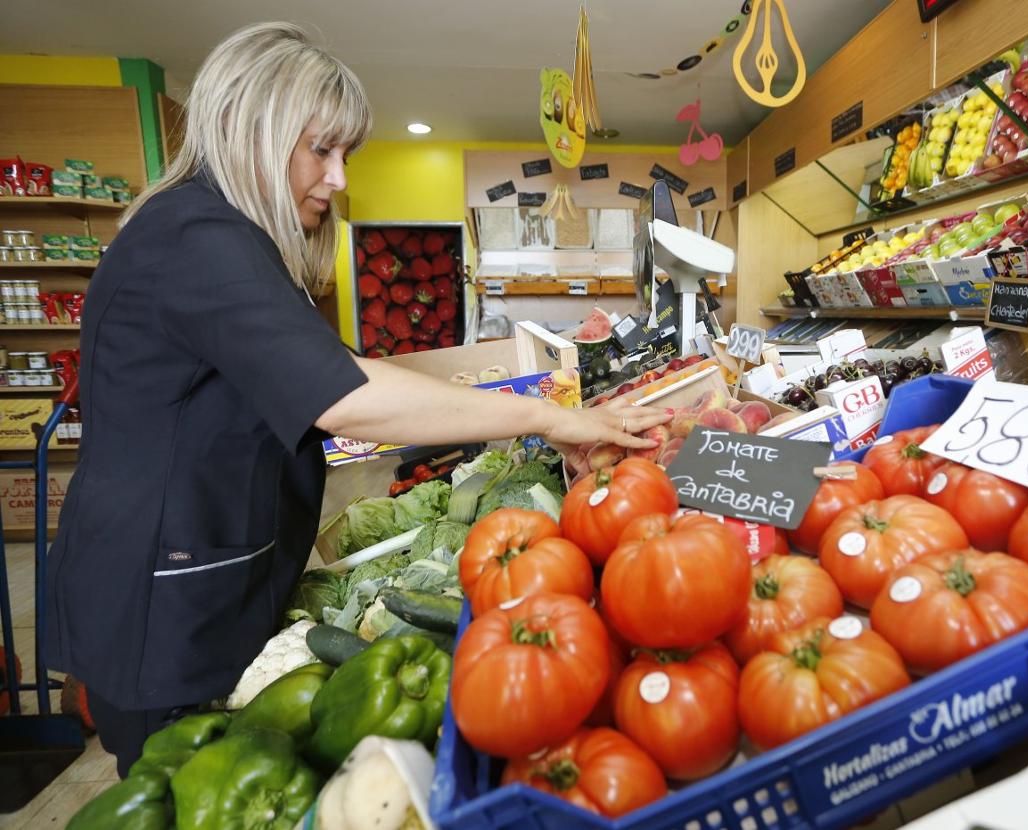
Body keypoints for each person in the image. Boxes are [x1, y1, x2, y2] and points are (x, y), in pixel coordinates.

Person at [44, 21, 668, 775]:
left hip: (190, 577)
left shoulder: (215, 236)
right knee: (175, 788)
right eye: (322, 149)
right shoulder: (196, 239)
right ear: (254, 131)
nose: (338, 178)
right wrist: (547, 415)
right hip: (163, 603)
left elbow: (330, 369)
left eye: (346, 154)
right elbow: (345, 395)